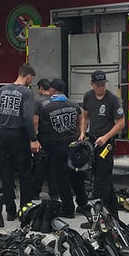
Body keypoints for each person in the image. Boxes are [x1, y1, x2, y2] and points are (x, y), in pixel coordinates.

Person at [35, 78, 87, 218]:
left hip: (57, 146)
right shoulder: (74, 105)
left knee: (62, 179)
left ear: (52, 90)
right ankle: (83, 204)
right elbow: (81, 119)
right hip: (74, 146)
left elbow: (43, 127)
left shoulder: (46, 108)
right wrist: (81, 133)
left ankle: (68, 209)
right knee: (76, 176)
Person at [0, 64, 39, 221]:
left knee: (6, 174)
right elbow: (27, 118)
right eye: (31, 79)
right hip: (19, 136)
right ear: (28, 76)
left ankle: (10, 211)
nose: (31, 82)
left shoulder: (2, 90)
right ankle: (24, 210)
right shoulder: (27, 93)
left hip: (4, 135)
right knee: (25, 174)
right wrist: (33, 139)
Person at [80, 70, 125, 219]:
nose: (101, 87)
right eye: (98, 85)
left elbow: (121, 123)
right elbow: (85, 116)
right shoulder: (88, 96)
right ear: (92, 85)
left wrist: (106, 137)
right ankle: (114, 216)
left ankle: (100, 218)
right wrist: (82, 133)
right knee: (101, 177)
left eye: (103, 84)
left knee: (101, 180)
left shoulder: (112, 99)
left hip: (106, 143)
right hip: (93, 140)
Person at [32, 78, 55, 199]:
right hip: (55, 137)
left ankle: (35, 193)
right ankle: (54, 192)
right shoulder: (54, 100)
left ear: (41, 88)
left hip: (42, 137)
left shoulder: (38, 102)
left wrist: (34, 137)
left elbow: (35, 121)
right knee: (52, 166)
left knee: (40, 166)